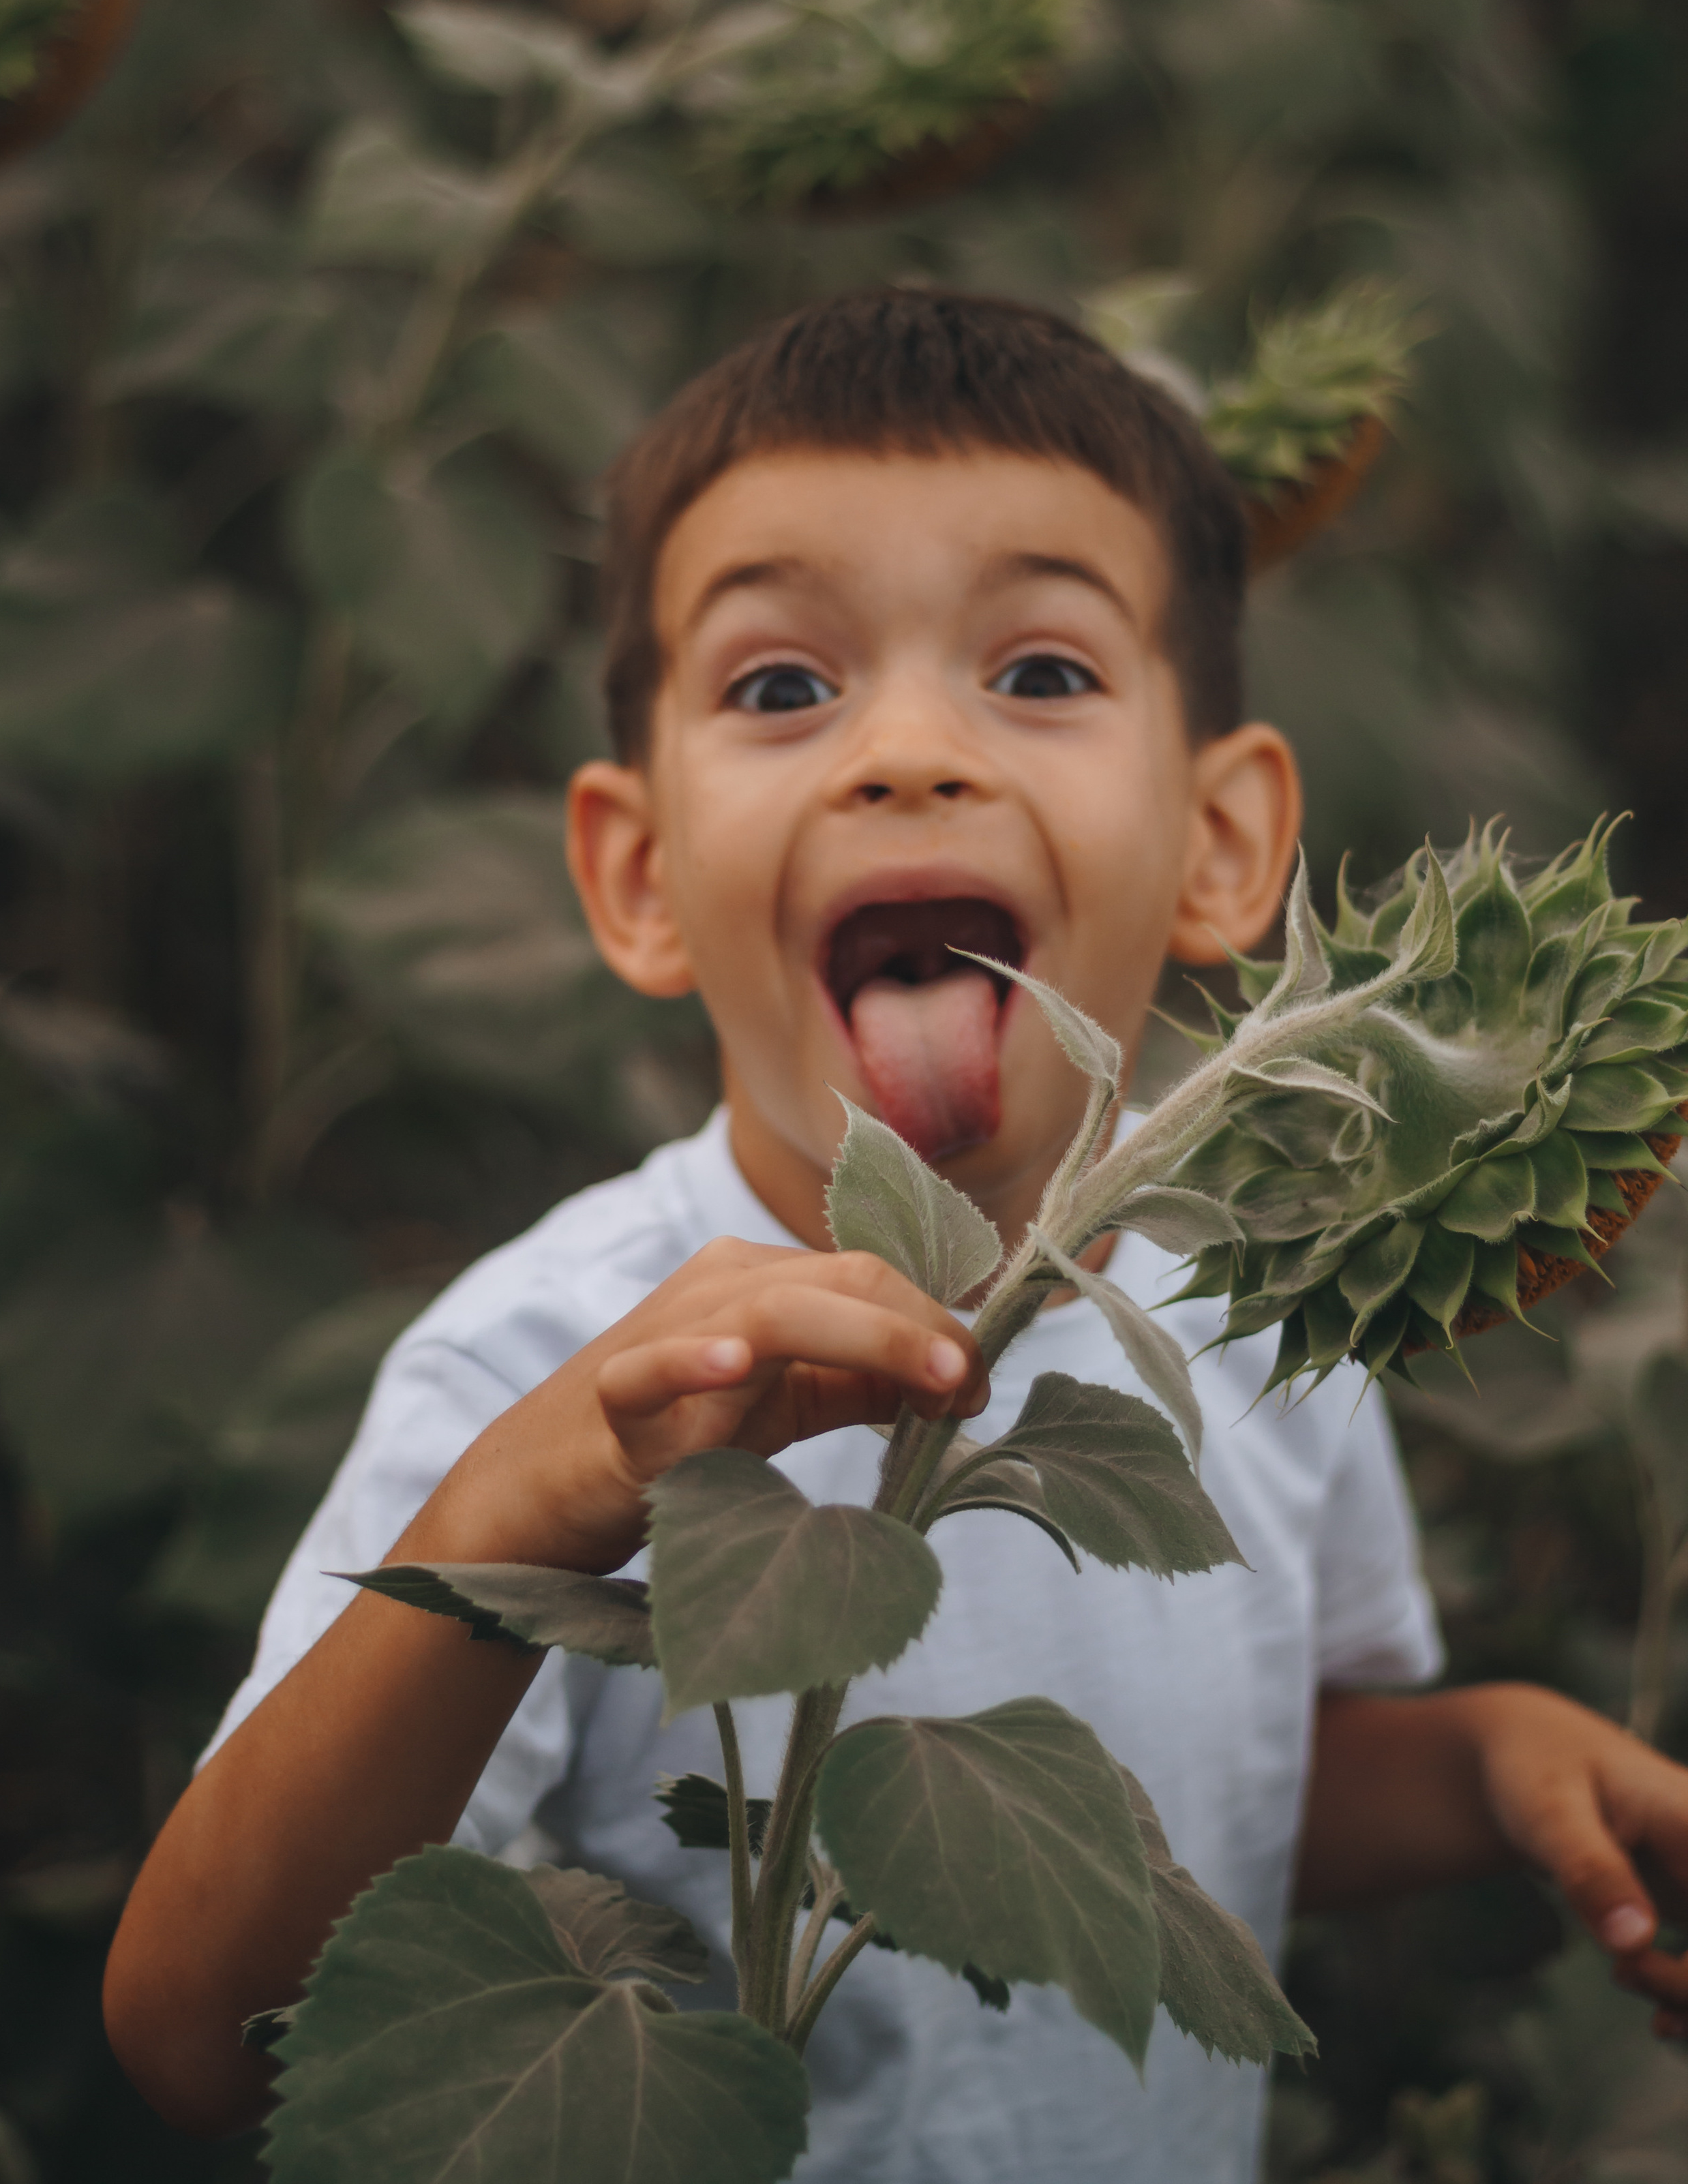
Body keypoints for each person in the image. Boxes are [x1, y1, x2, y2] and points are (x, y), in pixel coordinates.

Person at [105, 290, 1688, 2179]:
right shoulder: (538, 1369)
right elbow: (202, 2030)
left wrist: (1494, 1761)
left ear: (1221, 843)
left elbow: (1203, 1790)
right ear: (637, 875)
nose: (914, 750)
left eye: (1039, 671)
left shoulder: (1269, 1327)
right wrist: (522, 1517)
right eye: (785, 687)